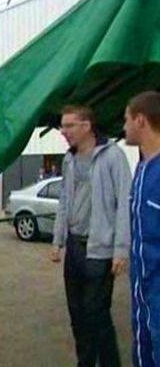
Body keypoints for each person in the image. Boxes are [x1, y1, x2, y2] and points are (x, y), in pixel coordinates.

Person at [49, 105, 131, 367]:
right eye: (62, 126)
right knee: (77, 313)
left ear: (87, 126)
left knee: (96, 312)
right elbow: (64, 200)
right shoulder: (69, 159)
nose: (64, 132)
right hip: (74, 247)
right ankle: (85, 362)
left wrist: (120, 249)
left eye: (69, 125)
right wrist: (57, 239)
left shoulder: (112, 157)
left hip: (99, 249)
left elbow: (124, 204)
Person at [123, 91, 160, 367]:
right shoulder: (141, 169)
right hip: (142, 295)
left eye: (126, 120)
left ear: (140, 120)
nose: (123, 127)